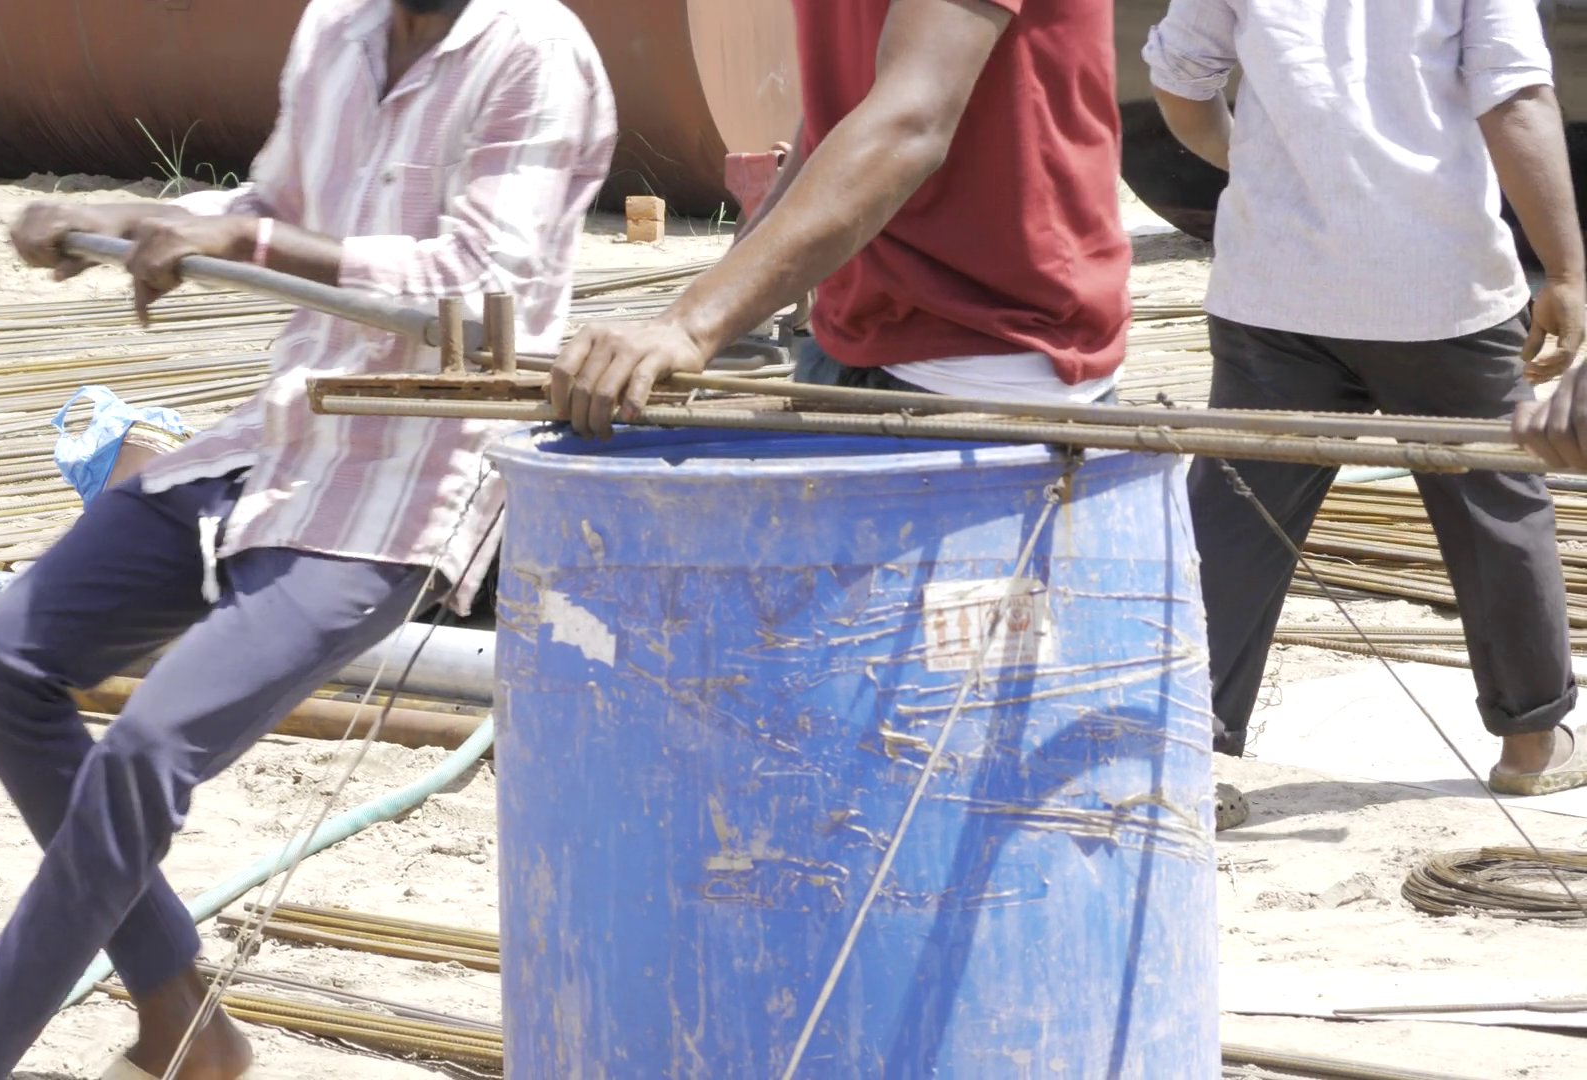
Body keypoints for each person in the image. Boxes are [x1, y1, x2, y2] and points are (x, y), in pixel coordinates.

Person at [0, 1, 615, 1078]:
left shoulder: (535, 51)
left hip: (406, 485)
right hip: (273, 442)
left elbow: (485, 291)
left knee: (147, 749)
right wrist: (126, 220)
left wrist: (248, 241)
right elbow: (269, 206)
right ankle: (187, 1032)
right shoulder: (339, 25)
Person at [1146, 0, 1587, 795]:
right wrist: (1564, 270)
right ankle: (1530, 744)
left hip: (1273, 291)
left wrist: (1260, 165)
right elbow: (1516, 97)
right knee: (1495, 503)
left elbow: (1180, 79)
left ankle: (1188, 754)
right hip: (1441, 290)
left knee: (1238, 513)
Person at [548, 0, 1130, 434]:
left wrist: (692, 324)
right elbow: (837, 121)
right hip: (850, 343)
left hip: (991, 362)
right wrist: (726, 301)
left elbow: (910, 125)